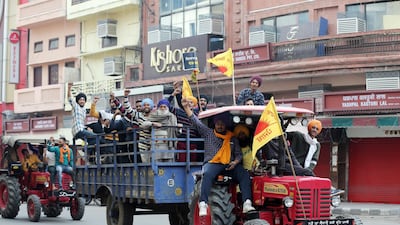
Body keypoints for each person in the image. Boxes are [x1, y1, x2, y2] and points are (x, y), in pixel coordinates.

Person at [181, 97, 255, 216]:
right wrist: (186, 107)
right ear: (215, 124)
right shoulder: (208, 133)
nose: (220, 126)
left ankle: (247, 202)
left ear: (226, 125)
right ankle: (203, 203)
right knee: (207, 173)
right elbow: (195, 121)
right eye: (218, 124)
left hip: (229, 166)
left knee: (244, 173)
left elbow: (238, 155)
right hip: (213, 163)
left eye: (222, 124)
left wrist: (235, 162)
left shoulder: (232, 138)